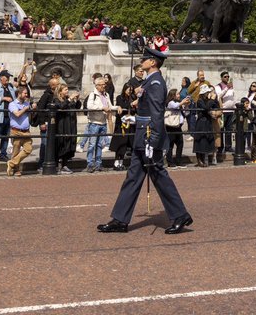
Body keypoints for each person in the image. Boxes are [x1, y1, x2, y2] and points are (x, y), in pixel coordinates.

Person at [98, 43, 193, 234]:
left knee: (158, 174)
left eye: (145, 59)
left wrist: (154, 138)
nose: (142, 61)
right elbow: (148, 109)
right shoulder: (150, 81)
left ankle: (180, 215)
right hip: (143, 134)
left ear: (152, 62)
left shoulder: (156, 82)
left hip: (149, 135)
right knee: (133, 176)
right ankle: (120, 218)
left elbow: (157, 113)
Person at [83, 75, 113, 173]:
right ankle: (90, 164)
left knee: (100, 144)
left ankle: (99, 163)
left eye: (104, 84)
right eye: (102, 85)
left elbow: (110, 106)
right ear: (97, 86)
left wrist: (117, 108)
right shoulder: (93, 95)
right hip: (94, 123)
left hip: (103, 122)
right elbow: (89, 106)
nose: (104, 86)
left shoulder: (106, 95)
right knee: (92, 144)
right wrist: (102, 108)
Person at [7, 86, 35, 176]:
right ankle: (16, 169)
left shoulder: (27, 103)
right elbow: (17, 114)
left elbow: (31, 114)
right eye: (25, 93)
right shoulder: (12, 104)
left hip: (26, 131)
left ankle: (11, 163)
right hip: (16, 131)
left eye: (27, 93)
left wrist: (33, 108)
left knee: (28, 149)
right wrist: (25, 109)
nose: (26, 95)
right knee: (16, 151)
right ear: (19, 94)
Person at [191, 85, 218, 166]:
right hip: (201, 123)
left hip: (208, 122)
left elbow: (216, 106)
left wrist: (214, 99)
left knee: (206, 140)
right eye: (207, 92)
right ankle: (199, 160)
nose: (208, 93)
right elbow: (206, 108)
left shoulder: (208, 100)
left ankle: (203, 159)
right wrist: (211, 100)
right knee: (200, 140)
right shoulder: (199, 101)